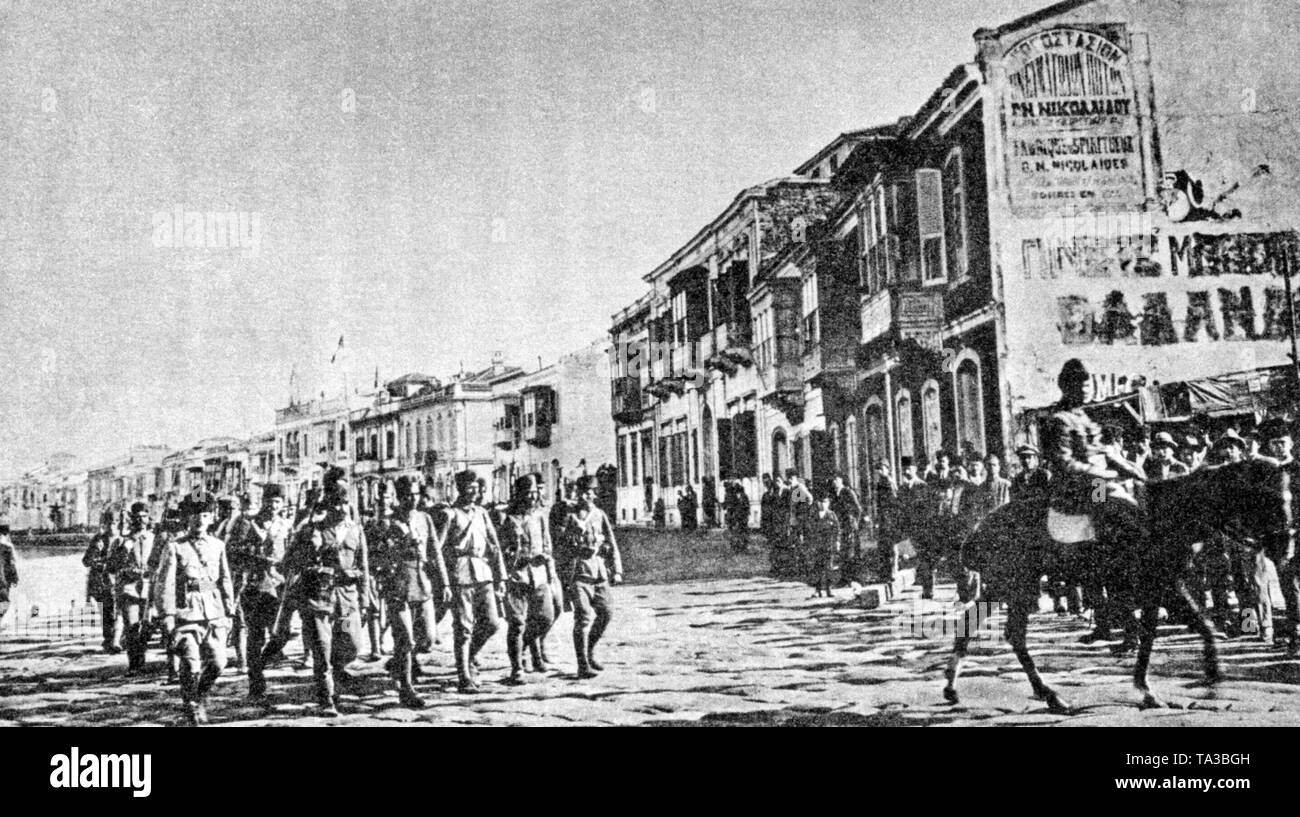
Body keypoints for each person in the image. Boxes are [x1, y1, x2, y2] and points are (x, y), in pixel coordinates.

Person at [1041, 359, 1146, 644]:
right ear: (1066, 386)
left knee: (1136, 498)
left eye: (1088, 384)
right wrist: (1103, 473)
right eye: (1079, 384)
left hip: (1099, 481)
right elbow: (1064, 462)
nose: (1086, 389)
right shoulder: (1057, 421)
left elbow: (1105, 452)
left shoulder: (1087, 418)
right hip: (1076, 490)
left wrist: (1133, 470)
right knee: (1117, 503)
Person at [282, 485, 371, 717]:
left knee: (351, 644)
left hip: (346, 600)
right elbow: (290, 561)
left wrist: (364, 597)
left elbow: (364, 565)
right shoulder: (311, 530)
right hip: (318, 599)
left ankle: (338, 671)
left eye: (345, 503)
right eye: (337, 504)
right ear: (328, 506)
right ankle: (326, 699)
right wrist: (315, 567)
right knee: (322, 648)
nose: (342, 508)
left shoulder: (355, 531)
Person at [369, 477, 449, 707]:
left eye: (415, 494)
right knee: (405, 639)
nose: (412, 499)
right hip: (398, 584)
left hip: (422, 581)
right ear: (397, 498)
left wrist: (444, 583)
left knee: (427, 638)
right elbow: (375, 557)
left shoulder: (425, 519)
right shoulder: (386, 523)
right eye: (406, 496)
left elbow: (436, 551)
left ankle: (398, 664)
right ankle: (406, 688)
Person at [158, 494, 234, 726]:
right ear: (186, 518)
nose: (199, 520)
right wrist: (168, 616)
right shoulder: (174, 547)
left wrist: (229, 610)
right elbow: (165, 583)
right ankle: (191, 705)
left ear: (211, 518)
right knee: (191, 664)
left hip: (214, 612)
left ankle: (198, 696)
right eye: (194, 515)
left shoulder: (218, 545)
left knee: (219, 662)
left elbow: (225, 579)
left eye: (205, 515)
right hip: (186, 614)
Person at [437, 470, 507, 694]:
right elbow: (438, 549)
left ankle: (471, 656)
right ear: (460, 488)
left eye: (477, 488)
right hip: (460, 574)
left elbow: (494, 546)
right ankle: (464, 676)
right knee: (464, 627)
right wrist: (445, 581)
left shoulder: (482, 513)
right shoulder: (450, 514)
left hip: (483, 572)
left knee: (492, 623)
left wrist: (501, 577)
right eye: (470, 488)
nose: (474, 492)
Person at [229, 485, 292, 704]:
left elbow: (293, 553)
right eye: (269, 501)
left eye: (277, 502)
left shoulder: (286, 526)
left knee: (283, 633)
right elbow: (233, 553)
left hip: (278, 587)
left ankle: (261, 663)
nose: (273, 506)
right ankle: (255, 680)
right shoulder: (247, 524)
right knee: (255, 635)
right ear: (263, 501)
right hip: (254, 586)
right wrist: (255, 559)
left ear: (282, 504)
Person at [497, 475, 558, 685]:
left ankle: (525, 648)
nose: (533, 497)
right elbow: (499, 549)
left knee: (546, 617)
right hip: (516, 577)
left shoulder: (540, 516)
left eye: (535, 493)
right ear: (519, 494)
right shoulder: (507, 518)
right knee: (516, 623)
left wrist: (548, 565)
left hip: (538, 574)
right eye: (528, 493)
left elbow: (548, 544)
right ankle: (517, 668)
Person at [561, 475, 623, 679]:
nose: (589, 495)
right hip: (577, 572)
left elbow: (611, 542)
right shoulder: (568, 516)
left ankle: (590, 649)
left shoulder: (599, 514)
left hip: (598, 571)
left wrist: (617, 569)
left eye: (592, 492)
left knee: (606, 612)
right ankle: (582, 664)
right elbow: (559, 543)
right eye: (585, 491)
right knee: (583, 617)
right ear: (577, 492)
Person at [109, 501, 162, 675]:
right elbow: (112, 566)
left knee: (147, 626)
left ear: (149, 518)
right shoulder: (122, 540)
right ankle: (135, 664)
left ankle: (140, 655)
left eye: (144, 516)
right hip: (129, 587)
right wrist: (124, 550)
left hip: (149, 587)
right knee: (132, 626)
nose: (141, 520)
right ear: (132, 519)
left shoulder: (156, 539)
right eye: (137, 517)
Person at [916, 451, 963, 600]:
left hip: (951, 524)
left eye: (943, 461)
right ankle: (928, 591)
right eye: (939, 461)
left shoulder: (955, 478)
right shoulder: (932, 478)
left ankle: (963, 592)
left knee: (955, 560)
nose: (941, 464)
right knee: (928, 559)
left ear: (948, 462)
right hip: (935, 524)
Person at [83, 511, 122, 653]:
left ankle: (115, 639)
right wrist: (95, 552)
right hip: (102, 582)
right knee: (106, 612)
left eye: (115, 522)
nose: (112, 526)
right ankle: (109, 640)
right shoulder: (98, 540)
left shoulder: (122, 540)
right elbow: (86, 561)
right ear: (105, 524)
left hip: (117, 580)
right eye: (109, 523)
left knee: (116, 612)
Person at [828, 475, 863, 585]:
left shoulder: (848, 492)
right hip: (840, 526)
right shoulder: (833, 494)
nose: (835, 482)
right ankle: (844, 578)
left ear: (841, 480)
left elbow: (858, 509)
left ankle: (855, 578)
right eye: (833, 480)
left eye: (836, 479)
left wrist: (854, 522)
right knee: (842, 553)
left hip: (849, 526)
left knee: (851, 552)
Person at [806, 490, 840, 598]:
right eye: (821, 502)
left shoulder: (832, 515)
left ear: (828, 503)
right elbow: (809, 530)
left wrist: (837, 542)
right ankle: (818, 590)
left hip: (829, 544)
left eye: (826, 502)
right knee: (817, 568)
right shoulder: (814, 516)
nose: (823, 505)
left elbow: (837, 530)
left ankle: (829, 589)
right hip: (817, 545)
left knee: (829, 567)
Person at [0, 523, 17, 626]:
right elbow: (12, 564)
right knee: (4, 602)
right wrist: (15, 578)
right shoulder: (7, 548)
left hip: (3, 579)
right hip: (2, 581)